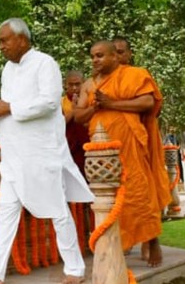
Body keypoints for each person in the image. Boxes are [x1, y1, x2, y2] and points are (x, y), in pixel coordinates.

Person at [0, 18, 93, 284]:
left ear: (22, 39)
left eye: (5, 40)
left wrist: (9, 108)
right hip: (14, 155)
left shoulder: (45, 63)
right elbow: (8, 106)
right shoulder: (7, 70)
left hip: (41, 153)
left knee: (57, 210)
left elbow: (48, 102)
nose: (0, 45)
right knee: (6, 210)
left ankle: (75, 270)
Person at [73, 40, 171, 267]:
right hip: (100, 149)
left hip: (128, 143)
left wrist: (111, 103)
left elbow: (147, 102)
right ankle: (118, 242)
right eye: (93, 56)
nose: (95, 60)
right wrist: (96, 107)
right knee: (109, 196)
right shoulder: (89, 84)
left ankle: (152, 239)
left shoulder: (134, 74)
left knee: (138, 192)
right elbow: (78, 116)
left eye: (100, 55)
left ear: (115, 58)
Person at [62, 70, 89, 177]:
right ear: (65, 85)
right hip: (69, 149)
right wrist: (73, 111)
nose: (74, 88)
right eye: (71, 84)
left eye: (77, 84)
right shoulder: (61, 102)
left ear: (84, 83)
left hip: (88, 147)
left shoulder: (89, 100)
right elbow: (58, 125)